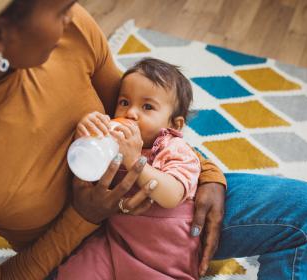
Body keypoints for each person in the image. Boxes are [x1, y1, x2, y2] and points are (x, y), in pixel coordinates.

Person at [0, 1, 307, 280]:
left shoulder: (71, 34)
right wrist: (82, 217)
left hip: (162, 211)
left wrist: (206, 173)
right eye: (59, 9)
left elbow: (145, 121)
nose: (73, 11)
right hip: (83, 257)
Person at [57, 58, 203, 279]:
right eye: (124, 102)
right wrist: (87, 137)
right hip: (115, 244)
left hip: (163, 257)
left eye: (147, 107)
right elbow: (90, 175)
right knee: (74, 273)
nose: (131, 113)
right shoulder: (112, 142)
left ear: (174, 124)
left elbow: (172, 195)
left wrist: (136, 161)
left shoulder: (175, 149)